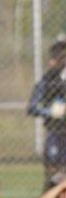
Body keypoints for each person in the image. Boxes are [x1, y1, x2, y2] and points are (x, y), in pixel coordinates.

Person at [27, 36, 66, 187]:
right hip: (55, 132)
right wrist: (52, 112)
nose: (51, 62)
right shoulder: (46, 81)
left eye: (55, 58)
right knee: (52, 176)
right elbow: (32, 107)